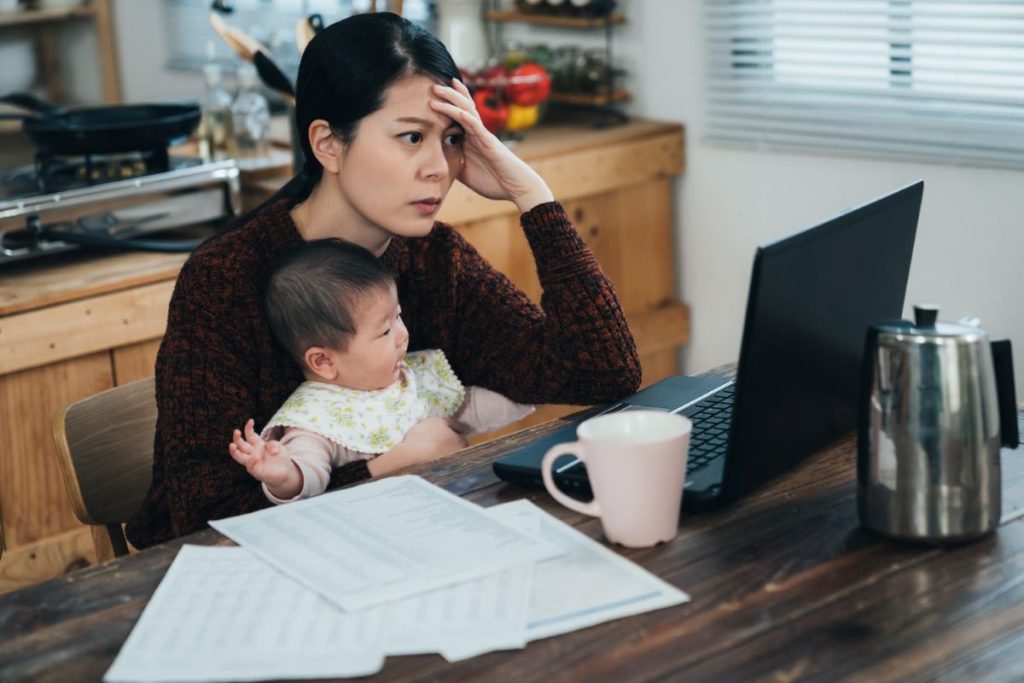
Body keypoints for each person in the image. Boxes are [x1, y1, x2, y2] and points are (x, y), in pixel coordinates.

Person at [126, 12, 640, 548]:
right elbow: (205, 520)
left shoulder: (435, 257)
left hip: (396, 543)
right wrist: (390, 467)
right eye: (412, 136)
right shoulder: (225, 281)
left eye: (453, 138)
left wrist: (532, 196)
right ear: (328, 144)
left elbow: (602, 373)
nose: (439, 167)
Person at [229, 238, 533, 503]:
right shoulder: (313, 418)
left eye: (398, 316)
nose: (403, 335)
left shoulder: (406, 377)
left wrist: (530, 391)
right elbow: (311, 474)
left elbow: (470, 408)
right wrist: (284, 475)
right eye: (385, 331)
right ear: (324, 362)